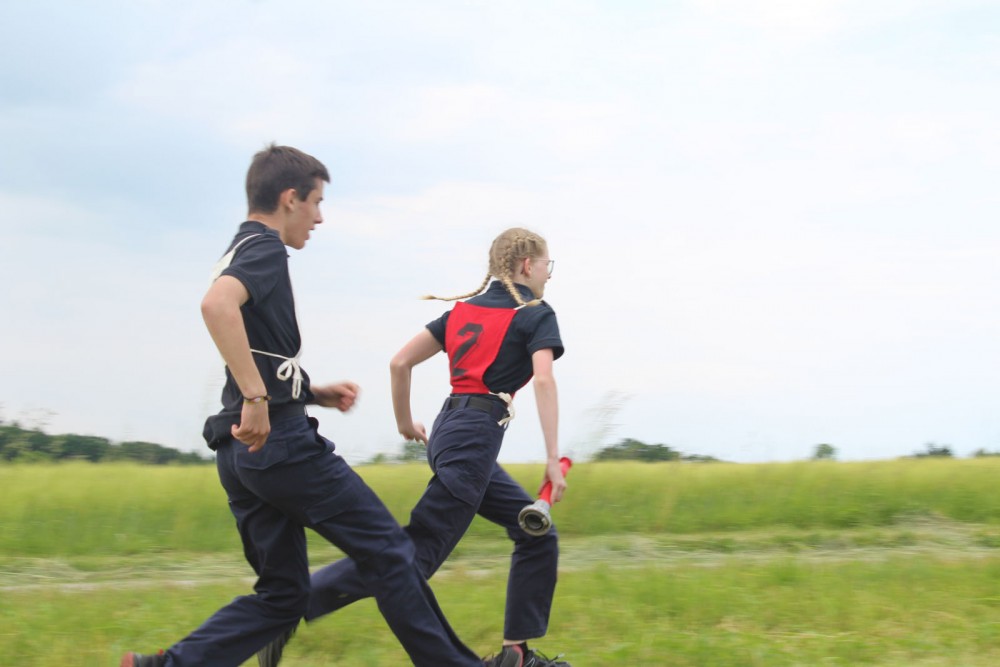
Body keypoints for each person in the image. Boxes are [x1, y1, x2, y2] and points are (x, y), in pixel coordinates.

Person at [121, 144, 484, 667]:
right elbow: (217, 306)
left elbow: (252, 341)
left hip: (240, 455)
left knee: (284, 596)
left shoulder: (239, 246)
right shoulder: (265, 248)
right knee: (390, 552)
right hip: (280, 446)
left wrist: (311, 393)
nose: (319, 217)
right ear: (290, 198)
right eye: (316, 202)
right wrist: (257, 397)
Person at [261, 227, 572, 667]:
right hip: (473, 441)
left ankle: (515, 655)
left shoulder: (461, 311)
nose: (548, 275)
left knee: (535, 532)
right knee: (412, 558)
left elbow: (400, 362)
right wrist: (553, 459)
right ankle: (289, 607)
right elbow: (543, 380)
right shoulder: (535, 313)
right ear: (527, 266)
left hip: (450, 434)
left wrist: (405, 422)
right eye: (546, 265)